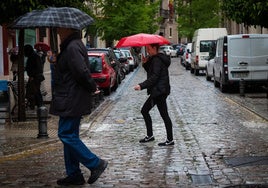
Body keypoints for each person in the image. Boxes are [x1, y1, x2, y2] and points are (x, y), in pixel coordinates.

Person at [49, 27, 108, 186]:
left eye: (60, 28)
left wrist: (92, 87)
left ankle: (95, 163)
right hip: (70, 97)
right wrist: (57, 61)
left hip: (71, 98)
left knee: (66, 134)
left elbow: (81, 71)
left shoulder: (73, 46)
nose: (58, 30)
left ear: (68, 29)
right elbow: (69, 70)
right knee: (70, 136)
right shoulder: (71, 45)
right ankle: (74, 174)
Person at [134, 43, 174, 146]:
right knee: (163, 115)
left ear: (154, 48)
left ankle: (154, 136)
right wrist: (145, 63)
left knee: (146, 111)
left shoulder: (156, 60)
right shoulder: (156, 59)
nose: (147, 50)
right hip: (160, 91)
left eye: (149, 48)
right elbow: (152, 72)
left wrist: (141, 85)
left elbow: (154, 77)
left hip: (158, 91)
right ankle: (167, 139)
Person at [24, 44, 44, 109]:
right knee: (34, 91)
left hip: (35, 77)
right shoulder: (32, 56)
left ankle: (40, 105)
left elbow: (38, 68)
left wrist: (32, 75)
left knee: (36, 91)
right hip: (34, 77)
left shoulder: (34, 56)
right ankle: (37, 105)